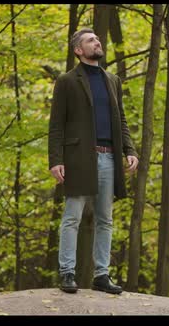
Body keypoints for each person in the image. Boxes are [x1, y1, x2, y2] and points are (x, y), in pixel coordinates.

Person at [48, 28, 139, 294]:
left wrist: (129, 150)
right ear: (78, 50)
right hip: (78, 158)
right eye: (91, 40)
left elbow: (120, 119)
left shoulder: (112, 80)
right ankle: (67, 272)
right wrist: (56, 160)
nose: (97, 42)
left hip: (109, 157)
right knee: (72, 217)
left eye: (97, 39)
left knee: (105, 219)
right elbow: (56, 125)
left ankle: (101, 275)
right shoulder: (66, 81)